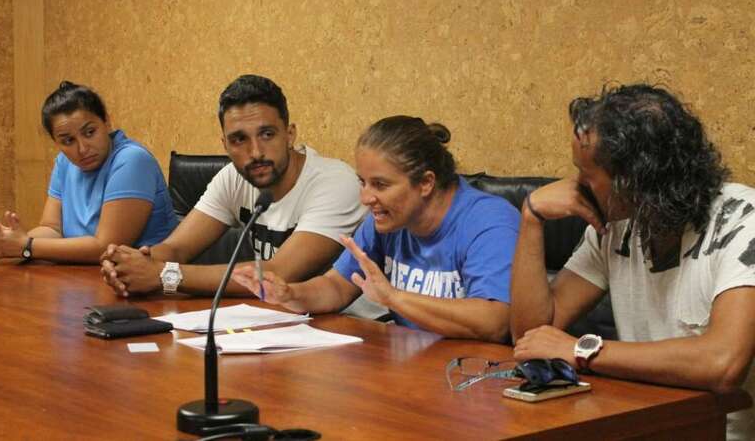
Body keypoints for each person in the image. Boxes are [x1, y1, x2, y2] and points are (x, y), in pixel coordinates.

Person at [509, 84, 755, 439]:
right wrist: (531, 218)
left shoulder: (742, 222)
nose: (577, 185)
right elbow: (531, 336)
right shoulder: (615, 224)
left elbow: (722, 363)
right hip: (640, 426)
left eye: (587, 174)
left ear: (633, 181)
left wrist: (581, 350)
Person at [233, 115, 520, 341]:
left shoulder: (488, 222)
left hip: (472, 374)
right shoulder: (388, 219)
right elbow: (337, 287)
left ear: (426, 183)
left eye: (380, 185)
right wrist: (289, 294)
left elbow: (494, 322)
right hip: (412, 363)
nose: (366, 198)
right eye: (363, 182)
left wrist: (394, 297)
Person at [101, 74, 366, 296]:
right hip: (278, 319)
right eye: (239, 140)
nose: (256, 152)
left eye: (267, 134)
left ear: (289, 135)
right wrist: (129, 263)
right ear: (225, 145)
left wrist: (165, 275)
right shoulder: (234, 177)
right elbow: (177, 248)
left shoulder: (335, 182)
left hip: (352, 325)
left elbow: (279, 273)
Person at [0, 81, 178, 264]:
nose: (82, 149)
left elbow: (106, 247)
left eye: (90, 132)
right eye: (68, 141)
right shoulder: (64, 162)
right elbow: (52, 229)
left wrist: (26, 246)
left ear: (107, 122)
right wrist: (7, 240)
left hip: (148, 283)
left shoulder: (132, 160)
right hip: (85, 278)